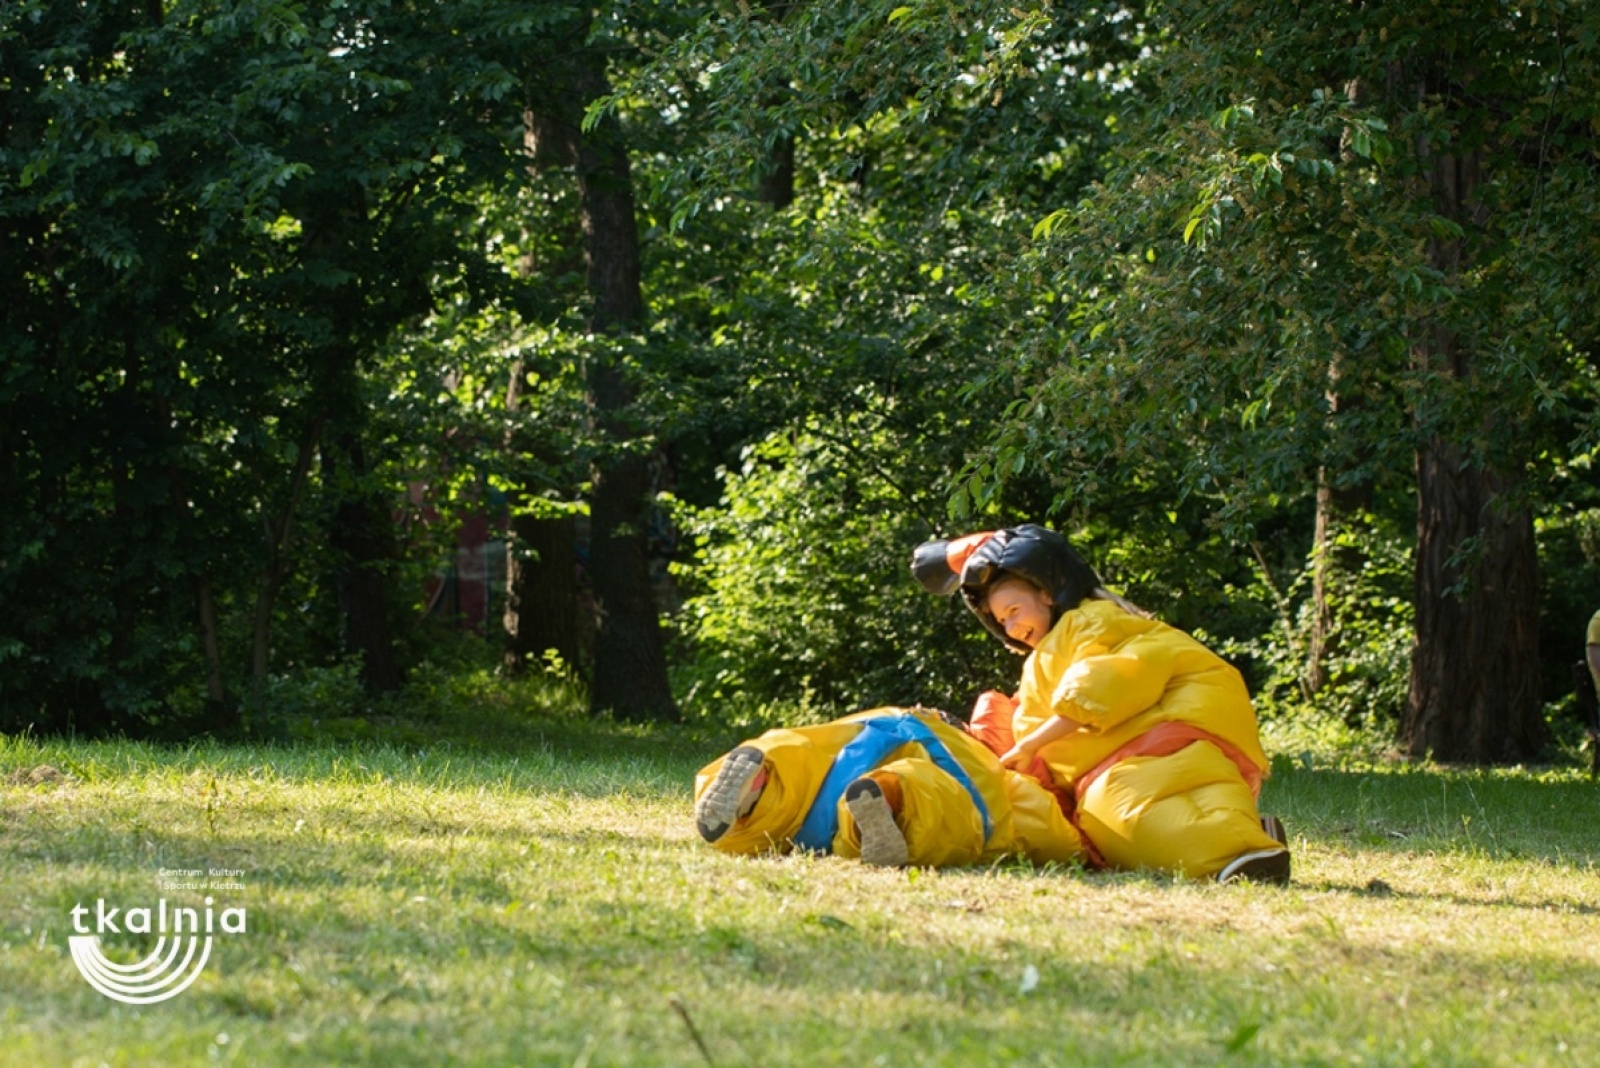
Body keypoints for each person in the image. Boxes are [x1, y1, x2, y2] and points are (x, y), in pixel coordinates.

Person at [912, 525, 1291, 884]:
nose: (1010, 628)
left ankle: (1236, 852)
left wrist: (1029, 745)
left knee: (1133, 820)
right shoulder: (1052, 651)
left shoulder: (1089, 623)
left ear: (1046, 592)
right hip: (1130, 757)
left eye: (1014, 611)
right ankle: (1245, 835)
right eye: (1001, 620)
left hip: (1147, 748)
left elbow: (1098, 685)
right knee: (1120, 818)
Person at [693, 706, 1085, 868]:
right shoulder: (1005, 766)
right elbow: (1057, 839)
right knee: (944, 803)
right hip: (945, 746)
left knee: (800, 763)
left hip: (874, 726)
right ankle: (886, 796)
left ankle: (759, 778)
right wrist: (1077, 849)